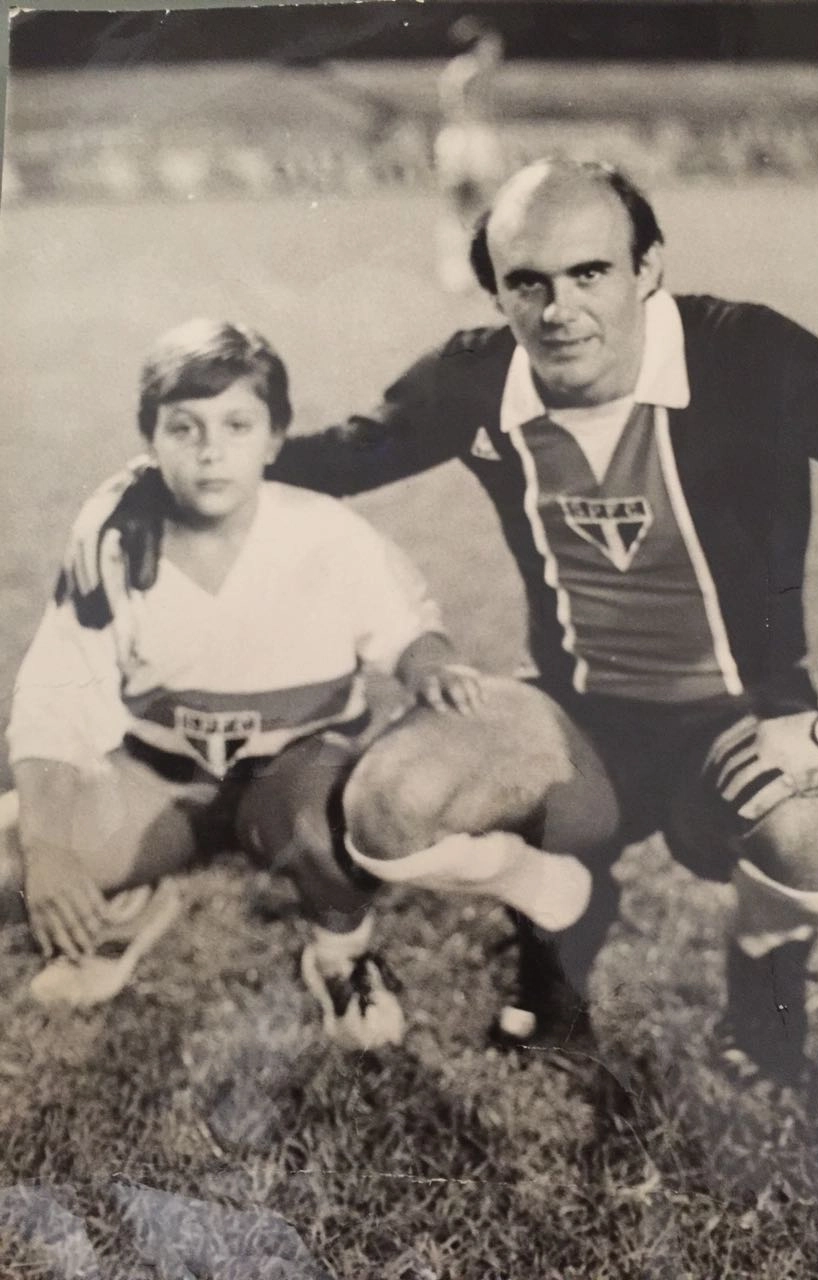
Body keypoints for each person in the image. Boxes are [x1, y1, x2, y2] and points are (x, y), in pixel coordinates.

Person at [57, 160, 818, 1081]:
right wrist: (161, 477)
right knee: (385, 809)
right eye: (527, 282)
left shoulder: (749, 358)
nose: (559, 308)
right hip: (574, 725)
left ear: (648, 268)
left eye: (589, 273)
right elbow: (340, 459)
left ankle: (763, 974)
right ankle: (558, 911)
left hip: (739, 721)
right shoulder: (477, 377)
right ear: (496, 290)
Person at [1, 317, 593, 1043]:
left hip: (295, 771)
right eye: (183, 429)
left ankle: (341, 956)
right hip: (163, 777)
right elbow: (54, 698)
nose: (211, 451)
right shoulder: (120, 541)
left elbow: (404, 622)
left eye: (236, 425)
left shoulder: (322, 531)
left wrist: (428, 664)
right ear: (149, 440)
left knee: (323, 825)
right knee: (15, 857)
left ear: (276, 438)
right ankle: (128, 907)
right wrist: (51, 849)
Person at [433, 17, 506, 292]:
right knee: (480, 205)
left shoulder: (454, 70)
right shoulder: (472, 70)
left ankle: (457, 270)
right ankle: (474, 269)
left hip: (457, 138)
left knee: (459, 208)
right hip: (471, 139)